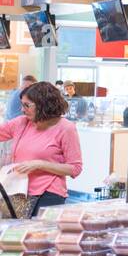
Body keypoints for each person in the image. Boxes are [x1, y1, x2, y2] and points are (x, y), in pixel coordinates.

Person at [0, 81, 84, 217]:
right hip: (20, 191)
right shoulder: (21, 122)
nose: (22, 109)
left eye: (27, 105)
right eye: (22, 105)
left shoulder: (66, 128)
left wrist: (40, 164)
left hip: (49, 193)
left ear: (43, 104)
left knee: (41, 235)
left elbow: (75, 168)